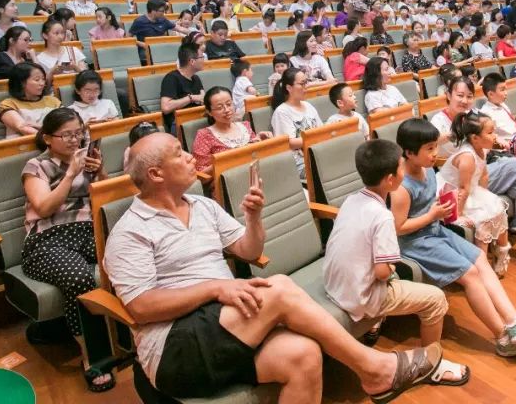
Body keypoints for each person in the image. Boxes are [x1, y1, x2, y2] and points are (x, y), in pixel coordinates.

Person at [104, 132, 444, 402]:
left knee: (305, 355)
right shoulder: (132, 230)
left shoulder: (203, 206)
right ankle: (375, 370)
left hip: (225, 322)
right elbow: (141, 307)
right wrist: (216, 287)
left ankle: (375, 374)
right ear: (155, 174)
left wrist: (253, 218)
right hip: (174, 348)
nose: (191, 156)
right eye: (179, 153)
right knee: (278, 286)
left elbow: (250, 252)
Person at [392, 118, 516, 357]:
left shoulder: (426, 170)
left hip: (434, 230)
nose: (435, 153)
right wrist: (432, 215)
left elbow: (428, 206)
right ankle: (503, 337)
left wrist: (441, 210)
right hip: (416, 242)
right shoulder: (401, 187)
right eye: (429, 149)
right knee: (471, 275)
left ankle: (513, 320)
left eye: (435, 147)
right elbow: (399, 228)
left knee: (480, 259)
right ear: (408, 152)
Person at [322, 139, 470, 386]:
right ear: (390, 180)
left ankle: (375, 324)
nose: (405, 169)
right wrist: (390, 264)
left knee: (396, 275)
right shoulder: (383, 217)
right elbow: (381, 272)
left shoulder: (351, 199)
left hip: (334, 285)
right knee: (435, 299)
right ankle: (430, 365)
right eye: (401, 166)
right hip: (360, 297)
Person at [20, 108, 113, 391]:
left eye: (79, 133)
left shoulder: (87, 159)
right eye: (68, 135)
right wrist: (71, 173)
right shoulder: (35, 166)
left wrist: (99, 172)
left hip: (88, 229)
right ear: (48, 138)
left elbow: (108, 194)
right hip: (48, 239)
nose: (75, 140)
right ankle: (93, 356)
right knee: (79, 277)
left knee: (133, 254)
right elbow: (45, 207)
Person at [189, 87, 269, 190]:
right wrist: (227, 160)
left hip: (257, 178)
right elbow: (201, 177)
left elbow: (254, 155)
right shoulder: (204, 135)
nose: (227, 110)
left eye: (229, 104)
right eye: (219, 108)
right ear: (209, 112)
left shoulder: (245, 126)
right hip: (230, 187)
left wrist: (261, 141)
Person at [269, 68, 323, 180]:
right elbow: (289, 142)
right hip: (299, 163)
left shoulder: (308, 106)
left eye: (306, 82)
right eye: (302, 84)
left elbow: (321, 130)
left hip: (317, 153)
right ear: (289, 88)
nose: (306, 87)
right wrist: (317, 139)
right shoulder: (282, 112)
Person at [0, 62, 62, 138]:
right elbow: (24, 128)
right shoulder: (8, 104)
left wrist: (39, 126)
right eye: (37, 80)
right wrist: (53, 136)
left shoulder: (53, 101)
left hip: (56, 143)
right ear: (21, 83)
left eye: (43, 79)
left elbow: (67, 123)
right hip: (24, 147)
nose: (42, 83)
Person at [159, 42, 205, 133]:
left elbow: (203, 97)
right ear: (192, 61)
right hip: (180, 123)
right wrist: (191, 98)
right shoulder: (171, 78)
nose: (204, 60)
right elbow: (166, 107)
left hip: (198, 117)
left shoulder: (195, 78)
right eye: (202, 57)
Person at [130, 0, 176, 64]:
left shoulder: (163, 19)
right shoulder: (139, 21)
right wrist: (142, 44)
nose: (164, 13)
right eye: (162, 11)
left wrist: (190, 32)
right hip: (146, 52)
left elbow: (179, 28)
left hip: (161, 49)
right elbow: (128, 39)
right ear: (153, 11)